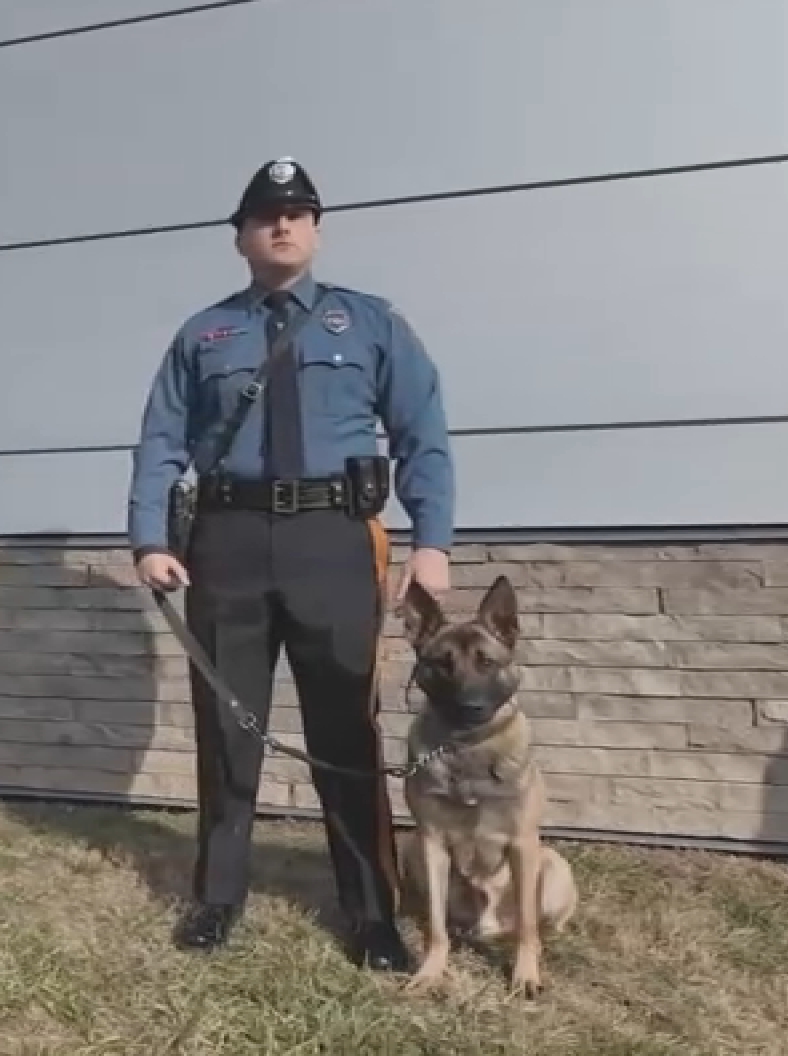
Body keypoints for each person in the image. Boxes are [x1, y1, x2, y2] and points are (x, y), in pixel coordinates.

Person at [125, 157, 456, 971]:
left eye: (300, 213)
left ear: (316, 230)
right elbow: (162, 441)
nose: (284, 225)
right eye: (267, 216)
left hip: (334, 540)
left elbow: (423, 434)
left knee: (345, 723)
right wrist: (151, 539)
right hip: (227, 542)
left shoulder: (370, 323)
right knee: (226, 726)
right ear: (240, 237)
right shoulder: (203, 334)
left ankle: (372, 911)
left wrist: (433, 542)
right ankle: (217, 895)